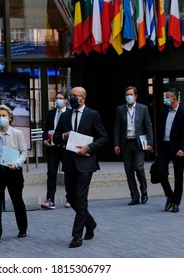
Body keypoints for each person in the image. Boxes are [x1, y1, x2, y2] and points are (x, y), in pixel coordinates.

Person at [53, 86, 108, 248]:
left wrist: (89, 148)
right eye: (70, 96)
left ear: (83, 98)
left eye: (75, 96)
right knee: (71, 197)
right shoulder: (65, 115)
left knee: (81, 199)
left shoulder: (93, 115)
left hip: (86, 163)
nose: (71, 98)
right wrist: (64, 135)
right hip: (69, 162)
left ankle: (77, 236)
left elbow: (103, 138)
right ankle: (90, 223)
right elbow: (56, 137)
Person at [0, 104, 28, 244]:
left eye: (4, 115)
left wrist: (16, 164)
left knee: (17, 200)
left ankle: (22, 228)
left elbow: (24, 152)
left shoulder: (17, 133)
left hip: (14, 171)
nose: (1, 118)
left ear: (10, 117)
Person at [113, 86, 153, 206]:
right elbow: (117, 128)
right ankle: (134, 196)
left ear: (135, 96)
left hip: (139, 143)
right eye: (127, 95)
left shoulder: (143, 109)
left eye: (131, 94)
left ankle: (144, 190)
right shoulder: (120, 109)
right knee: (129, 170)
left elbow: (148, 126)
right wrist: (116, 144)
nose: (128, 97)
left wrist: (150, 143)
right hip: (126, 144)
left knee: (139, 168)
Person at [156, 89, 184, 213]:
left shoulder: (183, 112)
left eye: (167, 97)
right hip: (165, 146)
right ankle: (169, 195)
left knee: (178, 176)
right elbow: (160, 129)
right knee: (160, 171)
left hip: (177, 148)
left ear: (174, 98)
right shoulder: (164, 111)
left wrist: (182, 148)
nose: (165, 99)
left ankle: (176, 202)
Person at [41, 91, 71, 209]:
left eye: (60, 98)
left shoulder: (70, 113)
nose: (58, 100)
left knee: (68, 173)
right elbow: (46, 129)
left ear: (66, 100)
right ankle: (50, 200)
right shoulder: (51, 113)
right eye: (56, 98)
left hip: (65, 148)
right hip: (52, 148)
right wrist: (44, 140)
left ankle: (70, 199)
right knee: (51, 173)